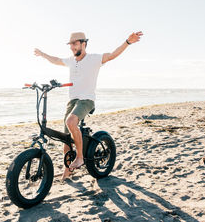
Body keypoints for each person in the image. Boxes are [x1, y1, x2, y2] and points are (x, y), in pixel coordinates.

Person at [34, 31, 143, 180]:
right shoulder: (72, 61)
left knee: (71, 122)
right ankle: (68, 170)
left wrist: (127, 42)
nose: (72, 47)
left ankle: (80, 157)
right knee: (66, 138)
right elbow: (56, 60)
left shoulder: (94, 59)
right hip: (72, 101)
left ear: (83, 43)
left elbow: (112, 55)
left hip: (87, 100)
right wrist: (42, 54)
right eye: (70, 44)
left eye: (75, 43)